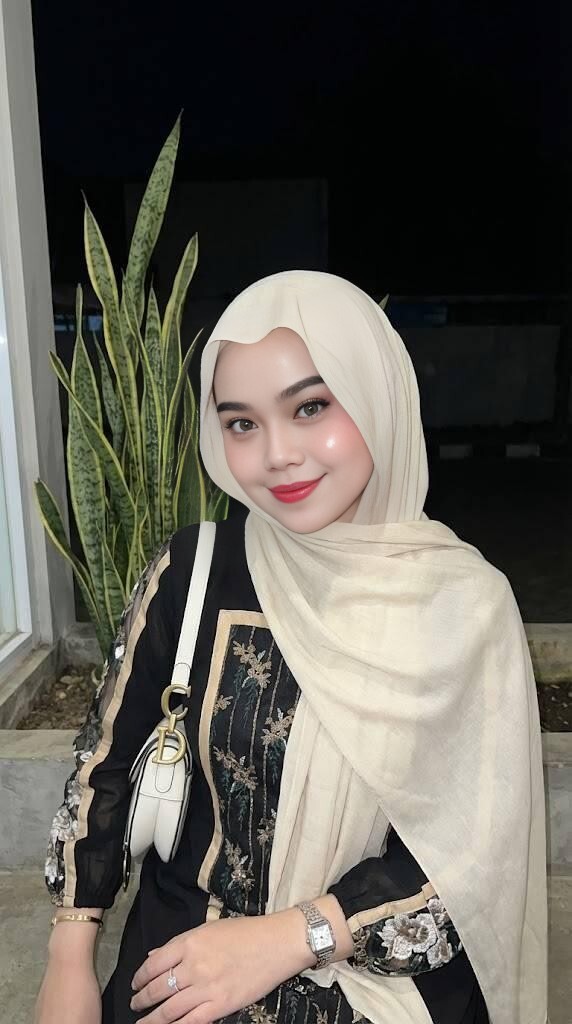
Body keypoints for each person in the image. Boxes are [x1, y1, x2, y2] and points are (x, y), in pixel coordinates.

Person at [35, 271, 547, 1024]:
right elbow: (103, 767)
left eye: (311, 407)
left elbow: (476, 857)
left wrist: (291, 937)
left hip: (373, 992)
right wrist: (70, 955)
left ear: (376, 395)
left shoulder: (463, 607)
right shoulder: (195, 572)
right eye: (242, 423)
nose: (277, 454)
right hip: (175, 973)